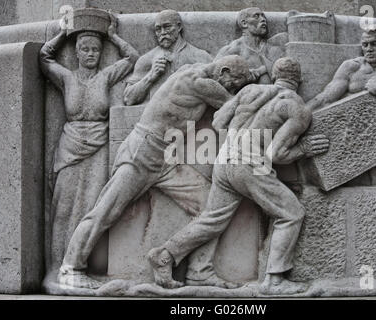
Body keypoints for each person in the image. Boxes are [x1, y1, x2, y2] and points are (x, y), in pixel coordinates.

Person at [57, 55, 252, 289]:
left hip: (166, 157)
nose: (233, 86)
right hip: (142, 152)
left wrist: (250, 75)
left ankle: (199, 271)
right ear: (224, 72)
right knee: (106, 210)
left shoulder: (195, 68)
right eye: (234, 81)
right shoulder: (202, 83)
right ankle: (71, 269)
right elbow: (238, 106)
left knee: (210, 206)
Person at [148, 58, 330, 294]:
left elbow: (218, 121)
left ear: (274, 76)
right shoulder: (295, 106)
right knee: (291, 213)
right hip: (251, 166)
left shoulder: (250, 91)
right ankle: (274, 281)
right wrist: (304, 149)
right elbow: (277, 154)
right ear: (300, 80)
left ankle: (164, 255)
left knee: (211, 220)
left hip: (224, 162)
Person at [40, 13, 139, 284]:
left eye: (96, 49)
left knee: (90, 207)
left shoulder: (106, 77)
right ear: (76, 52)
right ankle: (56, 269)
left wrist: (113, 36)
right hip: (70, 147)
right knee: (63, 208)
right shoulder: (66, 78)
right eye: (85, 49)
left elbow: (132, 58)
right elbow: (45, 57)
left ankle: (78, 268)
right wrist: (62, 32)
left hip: (98, 146)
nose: (91, 53)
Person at [306, 24, 376, 185]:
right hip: (347, 145)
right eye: (365, 44)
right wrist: (300, 116)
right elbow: (325, 98)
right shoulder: (352, 68)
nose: (368, 49)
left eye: (375, 44)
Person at [124, 9, 212, 106]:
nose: (163, 32)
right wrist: (151, 75)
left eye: (167, 27)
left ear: (179, 27)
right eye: (158, 29)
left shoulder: (200, 56)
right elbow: (128, 99)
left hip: (191, 118)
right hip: (154, 119)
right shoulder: (146, 60)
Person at [215, 7, 285, 85]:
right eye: (256, 16)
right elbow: (214, 75)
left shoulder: (273, 49)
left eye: (263, 16)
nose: (263, 19)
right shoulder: (232, 50)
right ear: (244, 23)